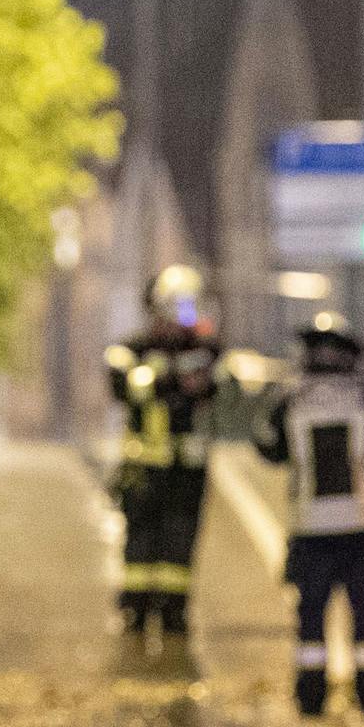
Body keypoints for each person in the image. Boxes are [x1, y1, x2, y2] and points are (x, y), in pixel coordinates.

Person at [256, 313, 364, 719]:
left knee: (310, 619)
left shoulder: (288, 398)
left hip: (310, 529)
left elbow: (267, 446)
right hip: (361, 525)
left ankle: (311, 699)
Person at [105, 264, 220, 635]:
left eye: (190, 309)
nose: (184, 320)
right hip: (144, 466)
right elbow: (126, 388)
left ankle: (174, 610)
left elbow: (215, 387)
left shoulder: (206, 352)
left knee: (180, 541)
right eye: (178, 310)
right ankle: (135, 609)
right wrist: (170, 378)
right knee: (141, 540)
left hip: (188, 467)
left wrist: (175, 378)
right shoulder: (130, 350)